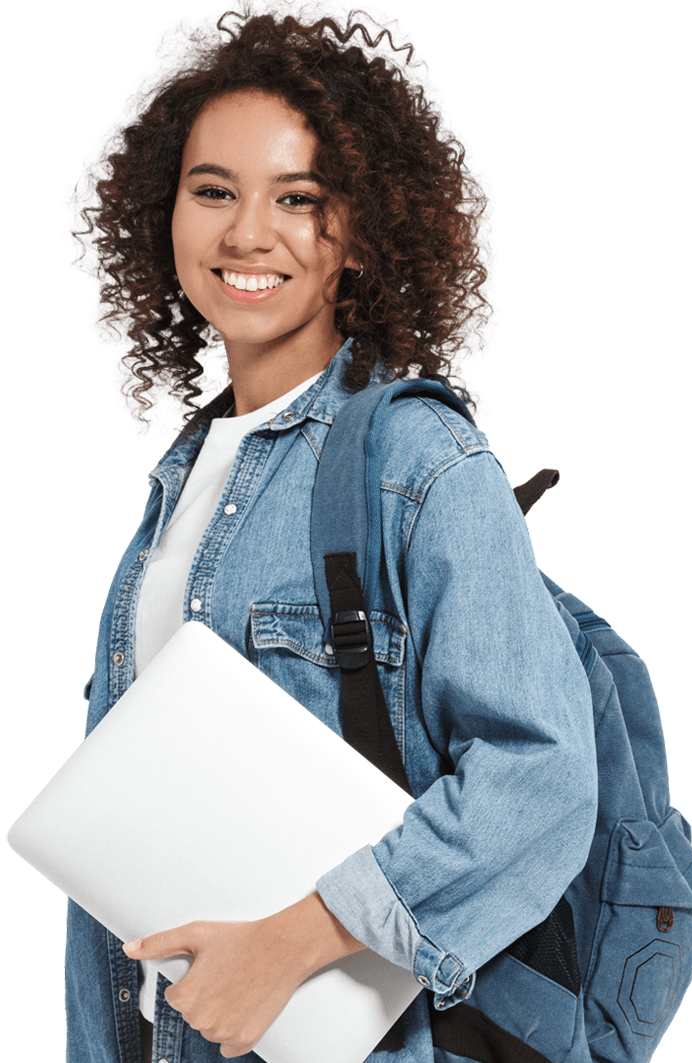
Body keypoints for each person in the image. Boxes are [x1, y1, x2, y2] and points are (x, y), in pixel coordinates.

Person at [63, 11, 597, 1063]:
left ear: (358, 230)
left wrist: (298, 940)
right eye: (213, 190)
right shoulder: (177, 488)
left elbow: (542, 778)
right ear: (161, 212)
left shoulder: (421, 463)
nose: (246, 234)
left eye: (297, 200)